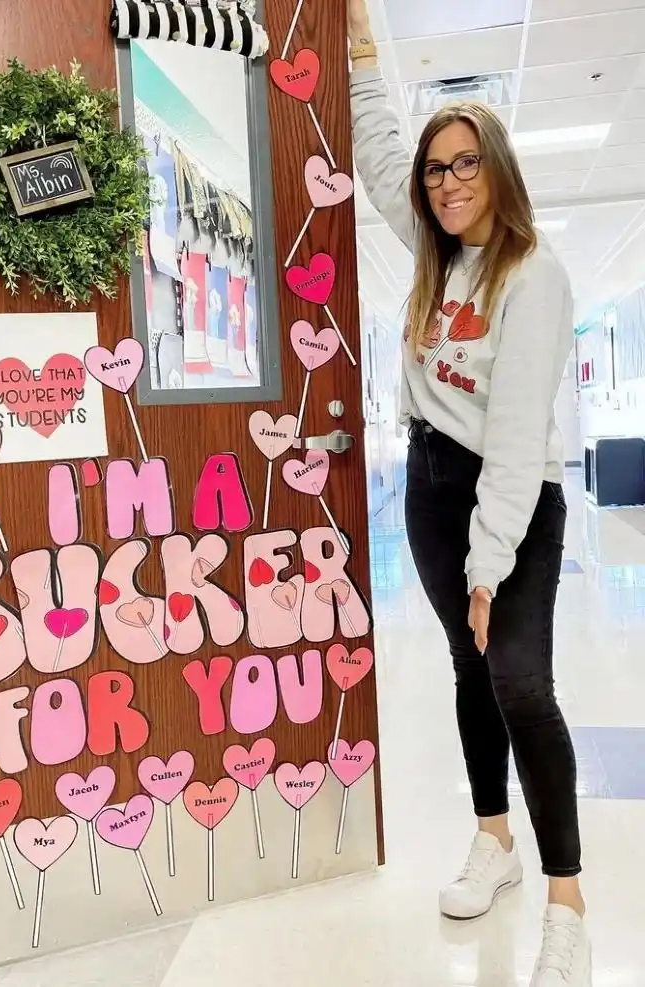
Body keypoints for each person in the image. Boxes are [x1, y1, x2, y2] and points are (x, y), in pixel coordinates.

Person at [346, 2, 591, 984]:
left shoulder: (531, 274)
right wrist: (361, 49)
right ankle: (493, 840)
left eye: (463, 164)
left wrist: (488, 565)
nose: (446, 183)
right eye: (436, 168)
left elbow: (515, 433)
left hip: (511, 502)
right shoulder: (433, 252)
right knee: (464, 668)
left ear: (496, 170)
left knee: (518, 680)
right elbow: (373, 152)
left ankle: (565, 899)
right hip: (429, 483)